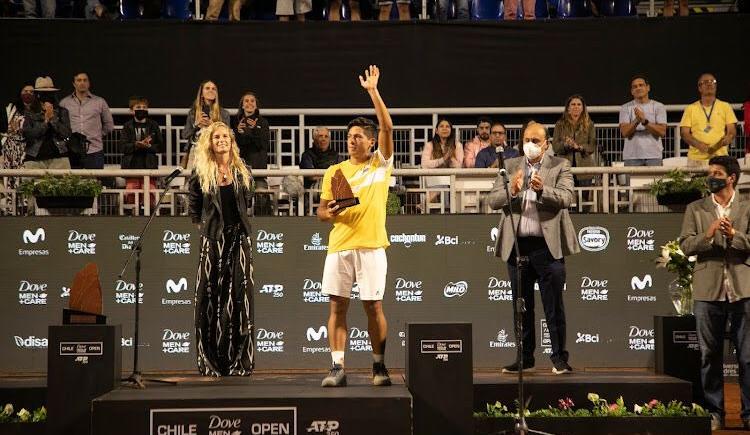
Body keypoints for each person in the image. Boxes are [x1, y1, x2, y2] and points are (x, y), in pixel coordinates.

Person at [317, 65, 394, 388]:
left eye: (358, 137)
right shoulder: (335, 171)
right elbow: (321, 211)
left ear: (371, 141)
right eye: (349, 137)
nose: (351, 141)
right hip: (340, 246)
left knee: (373, 306)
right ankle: (337, 367)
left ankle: (378, 366)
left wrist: (373, 92)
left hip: (372, 245)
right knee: (337, 305)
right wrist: (329, 211)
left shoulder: (381, 164)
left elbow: (388, 127)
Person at [487, 121, 579, 375]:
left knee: (553, 306)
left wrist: (542, 191)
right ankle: (524, 357)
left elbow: (567, 198)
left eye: (536, 141)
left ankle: (559, 358)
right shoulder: (510, 166)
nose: (530, 145)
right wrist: (513, 191)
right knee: (521, 305)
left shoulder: (560, 165)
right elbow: (492, 200)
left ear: (546, 144)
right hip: (518, 247)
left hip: (548, 248)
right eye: (526, 139)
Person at [679, 156, 750, 431]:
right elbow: (685, 245)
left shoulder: (746, 207)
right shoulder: (695, 208)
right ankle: (714, 411)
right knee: (709, 356)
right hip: (708, 292)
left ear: (731, 177)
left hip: (743, 290)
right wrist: (708, 235)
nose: (712, 177)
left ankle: (747, 413)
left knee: (746, 356)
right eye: (710, 173)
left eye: (717, 173)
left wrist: (734, 235)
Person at [188, 121, 255, 377]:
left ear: (231, 141)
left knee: (240, 299)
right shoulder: (201, 171)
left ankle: (239, 361)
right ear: (210, 142)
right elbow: (194, 203)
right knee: (208, 298)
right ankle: (210, 360)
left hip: (239, 239)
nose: (222, 140)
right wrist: (202, 226)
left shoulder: (242, 170)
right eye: (217, 137)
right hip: (212, 240)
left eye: (225, 136)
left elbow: (247, 201)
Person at [680, 73, 737, 167]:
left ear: (716, 86)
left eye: (713, 82)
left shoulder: (725, 106)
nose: (710, 84)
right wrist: (698, 144)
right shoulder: (690, 108)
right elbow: (684, 133)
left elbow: (732, 130)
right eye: (705, 82)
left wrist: (729, 137)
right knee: (697, 182)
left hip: (720, 158)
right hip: (696, 159)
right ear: (699, 88)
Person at [59, 72, 114, 169]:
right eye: (79, 80)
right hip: (72, 150)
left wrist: (97, 135)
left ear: (89, 83)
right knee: (73, 182)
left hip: (94, 150)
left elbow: (109, 124)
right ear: (74, 83)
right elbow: (60, 125)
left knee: (95, 182)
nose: (82, 83)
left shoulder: (99, 102)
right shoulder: (64, 103)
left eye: (85, 80)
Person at [552, 95, 598, 210]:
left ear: (583, 108)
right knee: (565, 200)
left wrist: (579, 147)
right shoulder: (559, 124)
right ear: (568, 108)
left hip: (585, 168)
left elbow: (592, 146)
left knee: (584, 202)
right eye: (573, 104)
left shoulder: (590, 124)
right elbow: (556, 147)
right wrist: (566, 145)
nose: (576, 107)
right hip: (564, 168)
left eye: (579, 104)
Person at [119, 96, 163, 209]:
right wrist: (136, 145)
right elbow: (123, 147)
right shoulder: (127, 126)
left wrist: (149, 146)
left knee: (151, 195)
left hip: (149, 166)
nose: (142, 109)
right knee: (131, 194)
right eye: (138, 107)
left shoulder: (153, 125)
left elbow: (160, 146)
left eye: (144, 107)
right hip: (131, 167)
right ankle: (132, 216)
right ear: (132, 110)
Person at [232, 91, 271, 215]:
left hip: (259, 172)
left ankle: (263, 228)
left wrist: (254, 130)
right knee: (237, 197)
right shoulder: (235, 122)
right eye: (246, 101)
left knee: (261, 197)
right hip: (241, 171)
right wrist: (238, 134)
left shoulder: (263, 123)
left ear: (256, 105)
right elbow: (236, 148)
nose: (249, 103)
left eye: (252, 101)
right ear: (242, 105)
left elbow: (263, 145)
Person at [22, 76, 71, 170]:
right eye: (43, 93)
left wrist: (53, 119)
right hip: (34, 158)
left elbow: (66, 134)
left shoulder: (62, 111)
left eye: (50, 93)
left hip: (59, 158)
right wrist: (46, 121)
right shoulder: (28, 112)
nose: (47, 96)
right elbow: (28, 134)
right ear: (37, 94)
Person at [618, 75, 667, 167]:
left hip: (654, 156)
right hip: (631, 157)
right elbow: (624, 133)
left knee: (654, 182)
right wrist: (637, 120)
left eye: (641, 85)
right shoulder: (625, 108)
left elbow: (662, 132)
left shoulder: (659, 106)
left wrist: (644, 121)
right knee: (631, 182)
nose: (638, 88)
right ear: (632, 91)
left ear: (648, 88)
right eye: (635, 87)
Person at [181, 80, 231, 170]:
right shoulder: (193, 113)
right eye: (207, 88)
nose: (211, 90)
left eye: (213, 89)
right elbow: (185, 135)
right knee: (192, 182)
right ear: (201, 94)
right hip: (196, 150)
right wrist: (197, 125)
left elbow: (229, 135)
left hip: (216, 151)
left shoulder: (223, 113)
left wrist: (213, 126)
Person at [421, 118, 463, 207]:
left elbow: (459, 166)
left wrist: (450, 157)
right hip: (433, 178)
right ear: (436, 131)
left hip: (452, 179)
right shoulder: (430, 145)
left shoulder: (457, 145)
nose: (444, 128)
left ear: (451, 131)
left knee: (446, 183)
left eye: (447, 126)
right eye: (441, 126)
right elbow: (424, 164)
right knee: (443, 184)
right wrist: (443, 159)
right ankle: (446, 209)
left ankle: (425, 203)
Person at [2, 84, 34, 185]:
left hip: (27, 148)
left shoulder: (37, 110)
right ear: (20, 93)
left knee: (24, 178)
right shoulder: (11, 108)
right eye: (25, 91)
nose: (28, 94)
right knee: (9, 178)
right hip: (10, 148)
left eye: (31, 92)